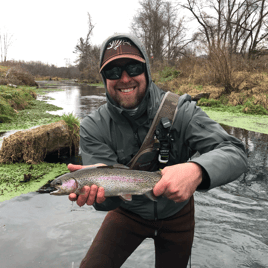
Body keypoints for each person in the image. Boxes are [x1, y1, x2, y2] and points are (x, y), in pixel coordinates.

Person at [68, 33, 248, 268]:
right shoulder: (93, 127)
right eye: (113, 72)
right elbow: (107, 204)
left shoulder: (181, 111)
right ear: (104, 79)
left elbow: (235, 151)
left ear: (147, 70)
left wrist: (197, 170)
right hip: (127, 212)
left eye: (133, 67)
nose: (124, 78)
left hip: (178, 214)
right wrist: (98, 195)